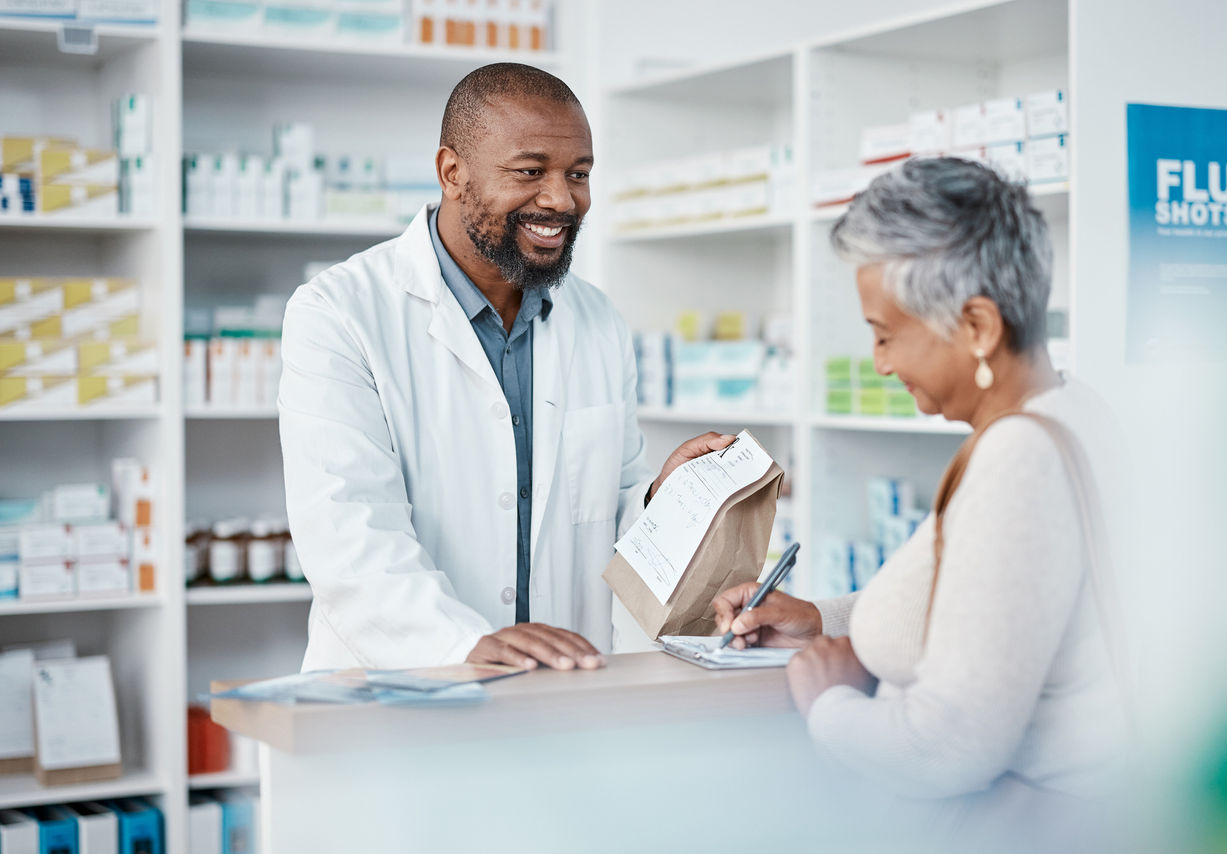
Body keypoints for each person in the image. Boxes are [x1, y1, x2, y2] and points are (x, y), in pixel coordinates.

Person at [279, 63, 732, 673]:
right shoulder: (339, 312)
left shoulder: (596, 320)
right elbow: (347, 534)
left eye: (579, 174)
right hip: (403, 697)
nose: (561, 200)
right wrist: (460, 644)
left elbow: (606, 517)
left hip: (561, 691)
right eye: (529, 171)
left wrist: (661, 500)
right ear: (451, 172)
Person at [713, 158, 1128, 807]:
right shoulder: (1073, 411)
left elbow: (950, 745)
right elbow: (972, 606)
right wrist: (817, 620)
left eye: (885, 336)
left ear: (978, 327)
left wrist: (829, 704)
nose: (879, 364)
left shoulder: (1019, 459)